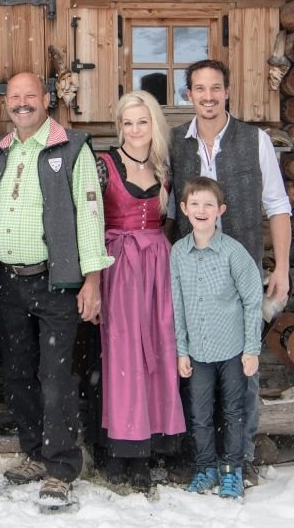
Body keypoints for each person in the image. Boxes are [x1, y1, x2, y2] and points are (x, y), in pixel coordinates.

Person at [0, 72, 113, 512]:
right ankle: (34, 453)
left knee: (55, 378)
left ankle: (60, 467)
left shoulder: (72, 147)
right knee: (17, 374)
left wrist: (92, 280)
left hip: (56, 282)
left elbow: (91, 216)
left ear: (46, 100)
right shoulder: (0, 151)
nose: (21, 104)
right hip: (11, 282)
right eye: (14, 97)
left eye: (29, 96)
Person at [167, 59, 291, 486]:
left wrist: (283, 268)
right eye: (199, 89)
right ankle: (202, 458)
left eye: (215, 88)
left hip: (242, 270)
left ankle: (242, 458)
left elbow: (277, 206)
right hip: (196, 272)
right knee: (197, 369)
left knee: (244, 364)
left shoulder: (254, 140)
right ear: (188, 95)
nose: (207, 96)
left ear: (227, 92)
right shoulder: (176, 144)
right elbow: (169, 212)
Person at [95, 91, 185, 494]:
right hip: (120, 264)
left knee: (159, 350)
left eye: (142, 122)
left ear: (154, 125)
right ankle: (122, 448)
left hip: (157, 267)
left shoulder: (165, 167)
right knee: (124, 353)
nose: (135, 130)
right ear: (119, 128)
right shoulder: (105, 165)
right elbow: (90, 221)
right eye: (127, 123)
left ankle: (149, 444)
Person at [171, 177, 262, 500]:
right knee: (199, 413)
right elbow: (177, 306)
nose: (201, 210)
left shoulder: (232, 252)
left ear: (220, 210)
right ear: (183, 209)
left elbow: (252, 299)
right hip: (197, 351)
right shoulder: (178, 253)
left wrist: (251, 348)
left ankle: (232, 470)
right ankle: (205, 466)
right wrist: (182, 351)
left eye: (209, 204)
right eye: (195, 204)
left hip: (233, 349)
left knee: (234, 411)